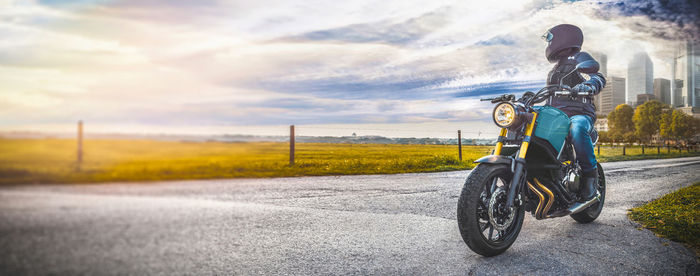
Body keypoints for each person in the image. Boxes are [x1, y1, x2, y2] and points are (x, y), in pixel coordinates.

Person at [541, 24, 606, 202]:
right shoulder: (554, 69)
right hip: (555, 116)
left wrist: (588, 85)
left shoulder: (580, 58)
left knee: (576, 128)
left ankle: (590, 178)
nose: (549, 43)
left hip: (579, 113)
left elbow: (596, 77)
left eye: (550, 38)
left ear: (563, 37)